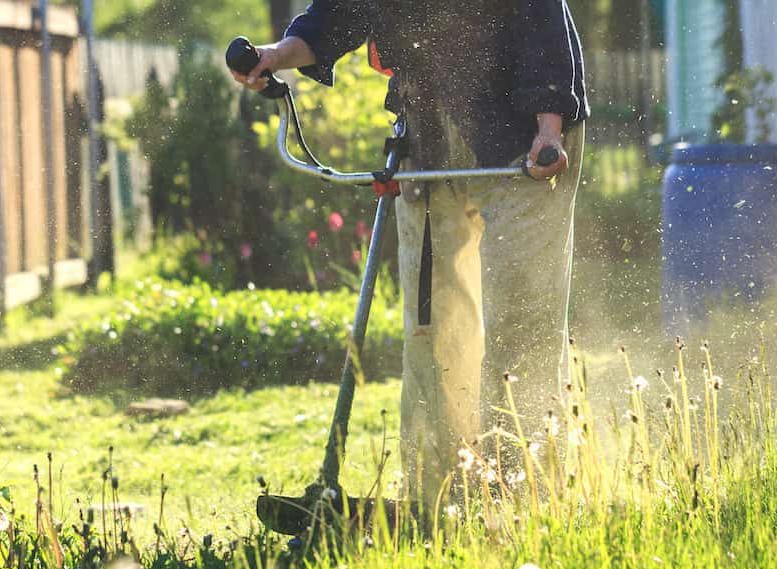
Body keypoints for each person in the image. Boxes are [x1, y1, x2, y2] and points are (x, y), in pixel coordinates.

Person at [230, 2, 588, 511]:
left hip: (527, 132)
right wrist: (274, 55)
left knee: (519, 313)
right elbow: (336, 14)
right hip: (428, 131)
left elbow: (541, 21)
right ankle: (438, 492)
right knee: (432, 324)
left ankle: (522, 494)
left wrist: (549, 130)